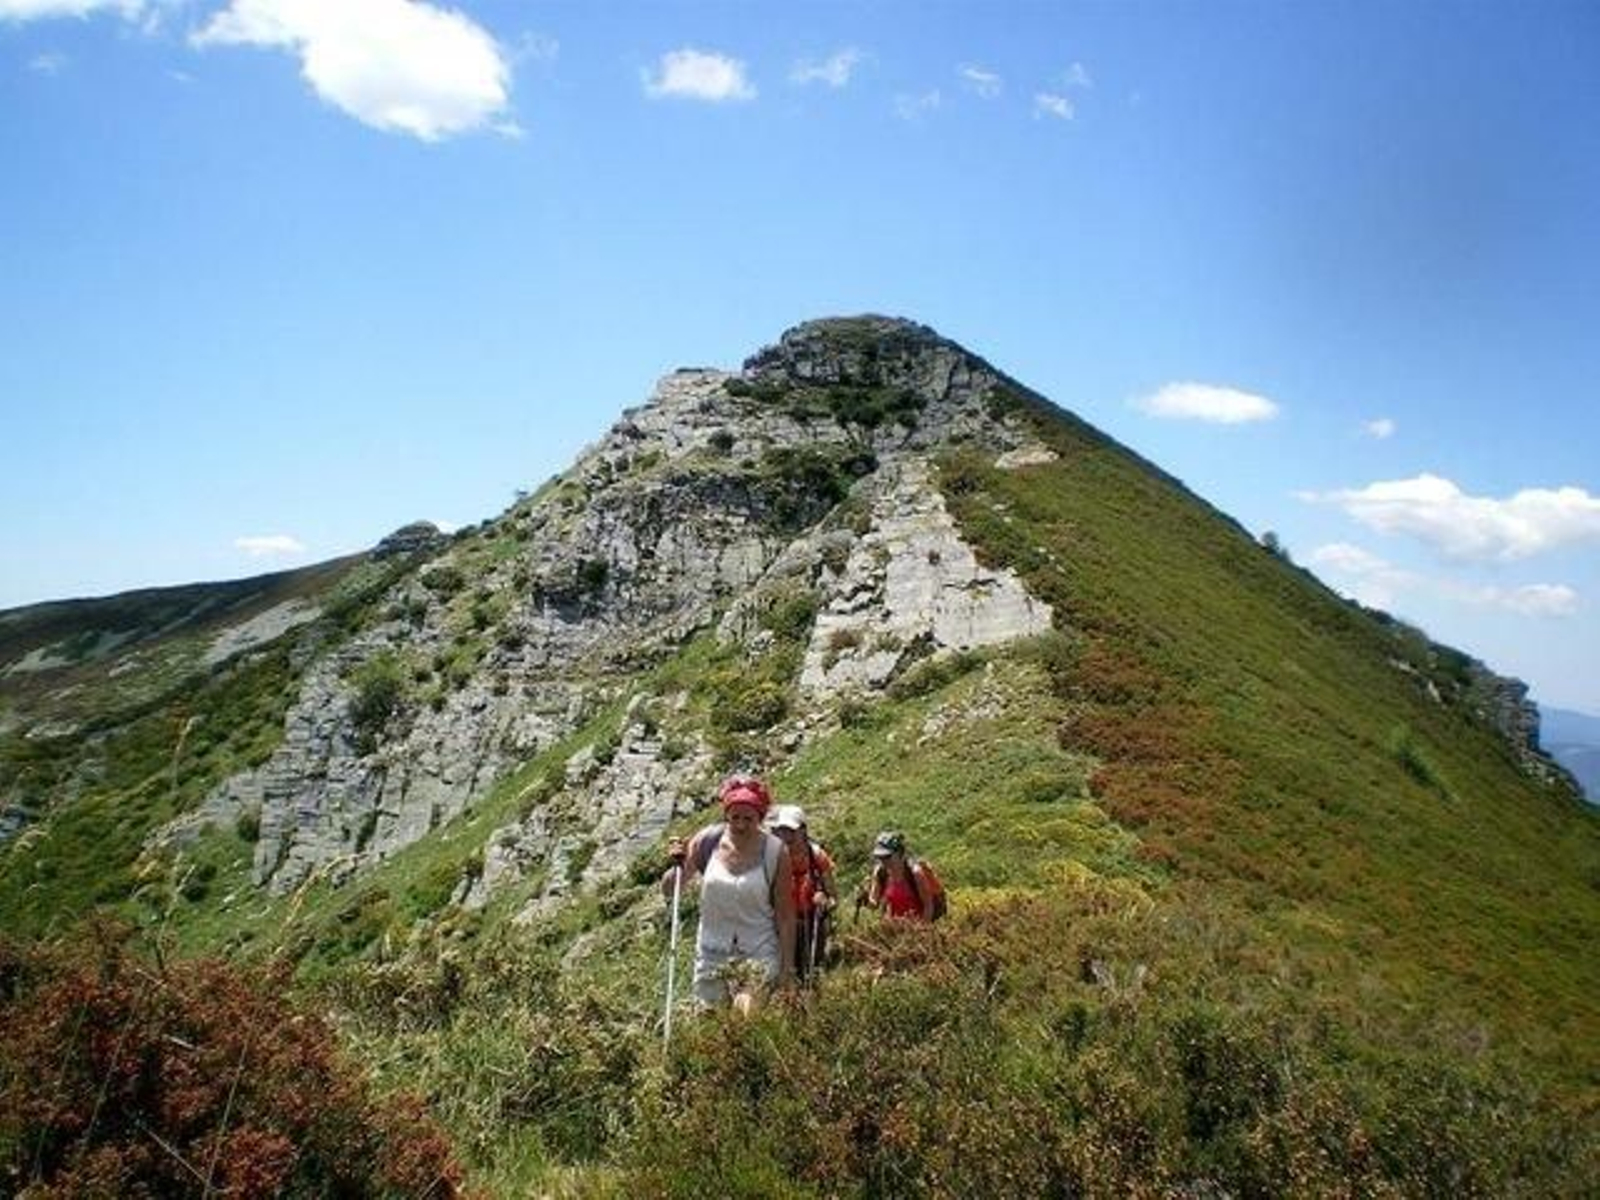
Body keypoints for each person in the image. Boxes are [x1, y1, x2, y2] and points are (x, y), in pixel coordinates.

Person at [662, 775, 796, 1014]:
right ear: (726, 815)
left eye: (749, 818)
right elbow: (672, 890)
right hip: (711, 953)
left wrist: (787, 969)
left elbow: (786, 916)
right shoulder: (706, 841)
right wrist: (677, 866)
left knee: (746, 1014)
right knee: (712, 1023)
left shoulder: (776, 852)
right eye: (735, 818)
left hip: (759, 951)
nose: (741, 825)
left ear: (760, 818)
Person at [770, 805, 837, 981]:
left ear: (803, 830)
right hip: (781, 926)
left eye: (791, 830)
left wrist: (824, 901)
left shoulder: (817, 857)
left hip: (811, 924)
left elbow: (833, 899)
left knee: (811, 974)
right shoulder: (773, 857)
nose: (786, 836)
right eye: (782, 831)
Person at [866, 830, 939, 921]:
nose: (884, 861)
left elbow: (928, 907)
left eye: (887, 856)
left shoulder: (915, 874)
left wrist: (921, 931)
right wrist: (866, 900)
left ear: (900, 854)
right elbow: (874, 904)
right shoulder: (880, 872)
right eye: (880, 857)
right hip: (892, 931)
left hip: (916, 929)